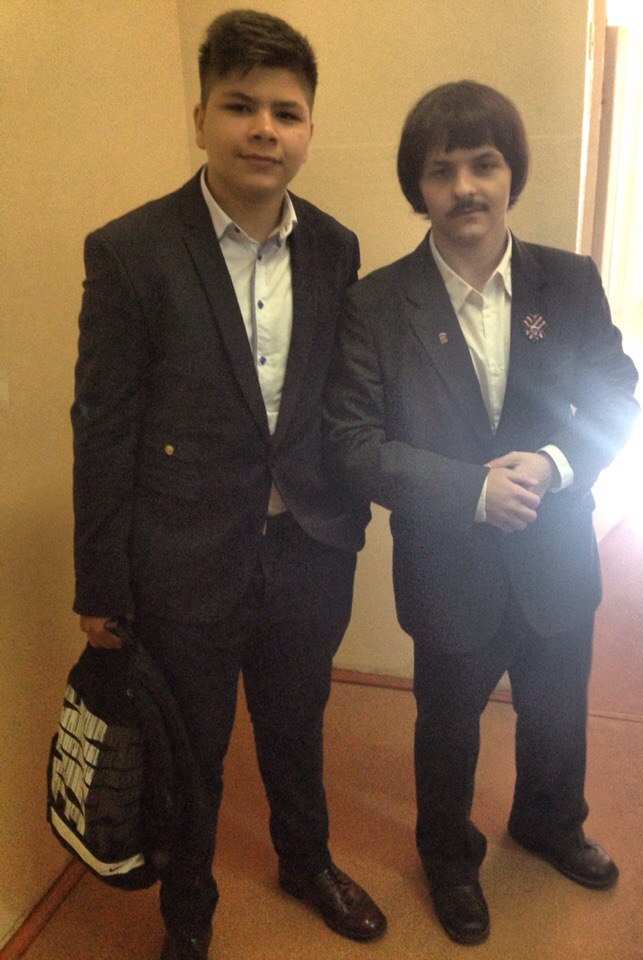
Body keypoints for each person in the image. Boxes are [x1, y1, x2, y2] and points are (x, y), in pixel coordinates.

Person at [71, 10, 385, 960]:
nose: (264, 130)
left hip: (308, 548)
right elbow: (103, 423)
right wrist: (100, 581)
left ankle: (306, 861)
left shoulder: (335, 247)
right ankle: (189, 914)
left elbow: (338, 396)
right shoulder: (130, 251)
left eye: (286, 113)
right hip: (185, 556)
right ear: (200, 117)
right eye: (241, 106)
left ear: (309, 129)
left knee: (297, 725)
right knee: (192, 749)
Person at [325, 80, 639, 946]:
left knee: (557, 706)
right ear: (417, 187)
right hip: (448, 563)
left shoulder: (567, 282)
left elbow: (617, 395)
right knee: (448, 725)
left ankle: (549, 819)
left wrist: (556, 463)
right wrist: (471, 489)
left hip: (556, 550)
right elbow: (353, 442)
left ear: (512, 174)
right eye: (442, 170)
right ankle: (448, 857)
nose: (465, 187)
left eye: (484, 164)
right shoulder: (376, 305)